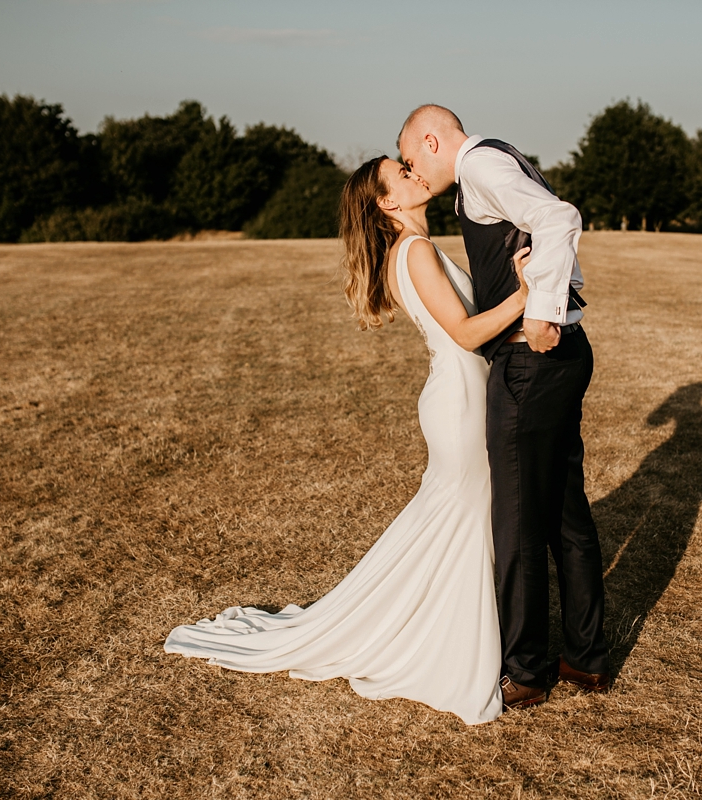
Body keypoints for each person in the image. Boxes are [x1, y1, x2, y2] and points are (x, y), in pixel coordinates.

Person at [163, 155, 529, 725]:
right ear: (387, 203)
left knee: (455, 521)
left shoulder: (409, 250)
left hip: (459, 395)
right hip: (459, 402)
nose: (414, 173)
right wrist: (526, 296)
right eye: (401, 174)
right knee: (462, 519)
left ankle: (446, 626)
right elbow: (464, 332)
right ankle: (446, 641)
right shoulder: (416, 252)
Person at [398, 105, 611, 709]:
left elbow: (557, 217)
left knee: (516, 522)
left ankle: (525, 671)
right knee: (565, 511)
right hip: (566, 355)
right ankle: (586, 658)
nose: (416, 175)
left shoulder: (483, 166)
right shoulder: (502, 156)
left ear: (432, 141)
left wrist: (541, 308)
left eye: (413, 161)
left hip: (531, 360)